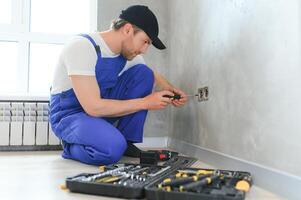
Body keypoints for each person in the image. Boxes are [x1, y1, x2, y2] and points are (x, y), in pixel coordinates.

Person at [49, 5, 188, 165]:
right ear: (128, 30)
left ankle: (126, 142)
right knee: (111, 150)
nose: (144, 50)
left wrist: (170, 90)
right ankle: (71, 146)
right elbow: (93, 107)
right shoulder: (82, 47)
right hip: (70, 115)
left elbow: (152, 75)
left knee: (143, 73)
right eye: (145, 42)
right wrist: (145, 102)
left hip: (96, 111)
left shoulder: (126, 54)